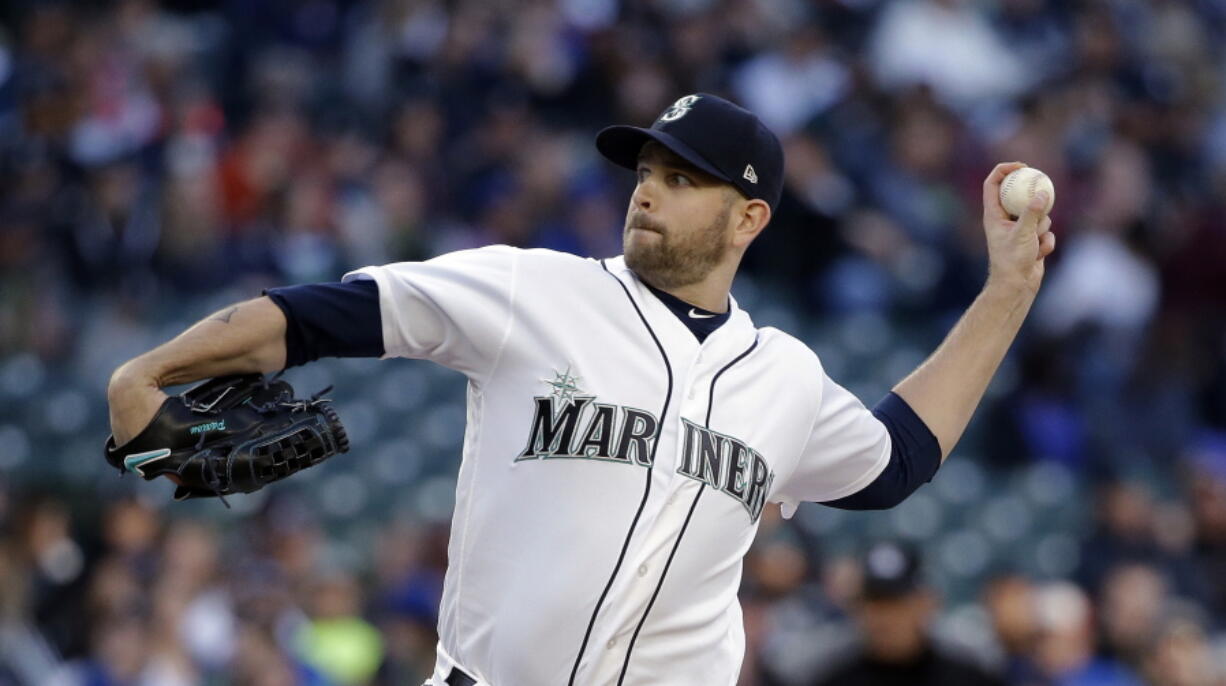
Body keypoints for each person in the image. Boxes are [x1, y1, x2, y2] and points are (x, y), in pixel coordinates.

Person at [106, 93, 1056, 685]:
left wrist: (1009, 290)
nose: (649, 190)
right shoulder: (537, 290)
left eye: (684, 179)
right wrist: (147, 371)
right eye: (647, 169)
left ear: (748, 218)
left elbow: (898, 461)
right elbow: (325, 314)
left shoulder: (787, 377)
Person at [811, 541, 1006, 686]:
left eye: (896, 602)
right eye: (874, 601)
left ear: (925, 603)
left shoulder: (969, 679)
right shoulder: (831, 679)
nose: (884, 617)